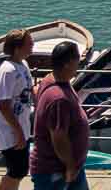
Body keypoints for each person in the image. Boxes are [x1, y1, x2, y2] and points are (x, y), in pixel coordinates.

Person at [26, 42, 84, 190]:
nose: (80, 62)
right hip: (57, 171)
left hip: (63, 168)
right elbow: (58, 137)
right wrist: (70, 166)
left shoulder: (50, 79)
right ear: (68, 63)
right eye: (77, 58)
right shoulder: (59, 99)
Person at [0, 31, 33, 190]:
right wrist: (17, 132)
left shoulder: (23, 65)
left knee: (19, 170)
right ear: (17, 47)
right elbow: (3, 104)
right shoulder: (8, 71)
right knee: (18, 170)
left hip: (22, 126)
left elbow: (27, 89)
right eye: (29, 43)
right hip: (9, 130)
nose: (32, 45)